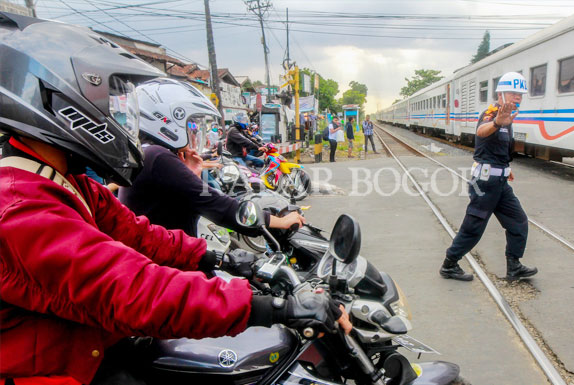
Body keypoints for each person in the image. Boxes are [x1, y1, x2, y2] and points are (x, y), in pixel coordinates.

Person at [0, 14, 350, 384]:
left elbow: (140, 234)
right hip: (61, 370)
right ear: (59, 100)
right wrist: (274, 308)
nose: (118, 120)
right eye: (109, 105)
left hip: (94, 344)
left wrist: (219, 257)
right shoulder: (21, 206)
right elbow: (133, 289)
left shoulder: (65, 182)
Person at [120, 77, 301, 237]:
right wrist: (278, 221)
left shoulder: (148, 154)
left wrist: (191, 175)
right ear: (166, 120)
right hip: (170, 266)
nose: (194, 131)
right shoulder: (157, 157)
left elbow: (184, 201)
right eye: (190, 124)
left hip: (169, 257)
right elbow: (216, 205)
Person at [440, 72, 537, 282]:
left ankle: (514, 266)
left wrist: (504, 166)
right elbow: (482, 132)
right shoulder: (491, 114)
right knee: (474, 227)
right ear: (501, 94)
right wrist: (496, 123)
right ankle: (449, 264)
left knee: (518, 222)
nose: (517, 98)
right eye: (513, 93)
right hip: (484, 184)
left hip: (499, 183)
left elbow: (497, 146)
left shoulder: (508, 118)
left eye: (520, 94)